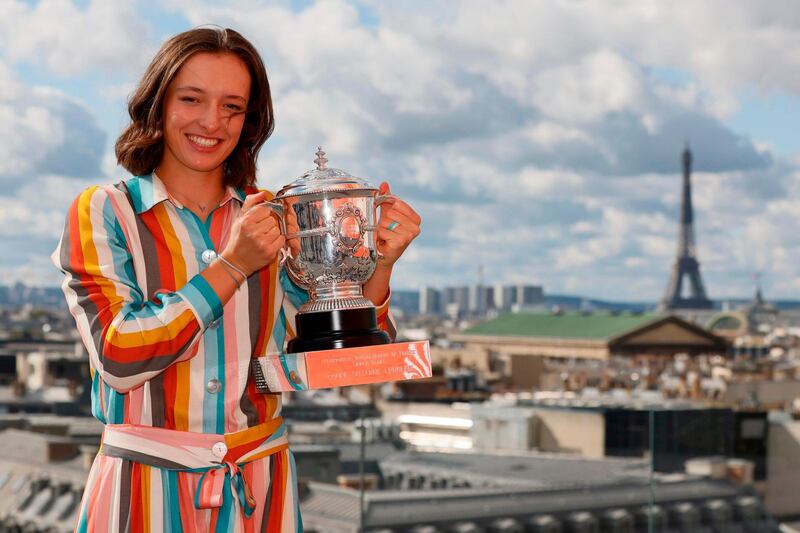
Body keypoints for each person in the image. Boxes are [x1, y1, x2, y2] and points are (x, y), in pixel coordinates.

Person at [52, 27, 421, 532]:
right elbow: (119, 355)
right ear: (157, 104)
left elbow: (327, 355)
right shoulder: (106, 211)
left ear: (251, 120)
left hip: (260, 489)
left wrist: (378, 264)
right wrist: (231, 265)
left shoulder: (271, 214)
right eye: (191, 99)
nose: (211, 122)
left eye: (232, 106)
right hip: (142, 490)